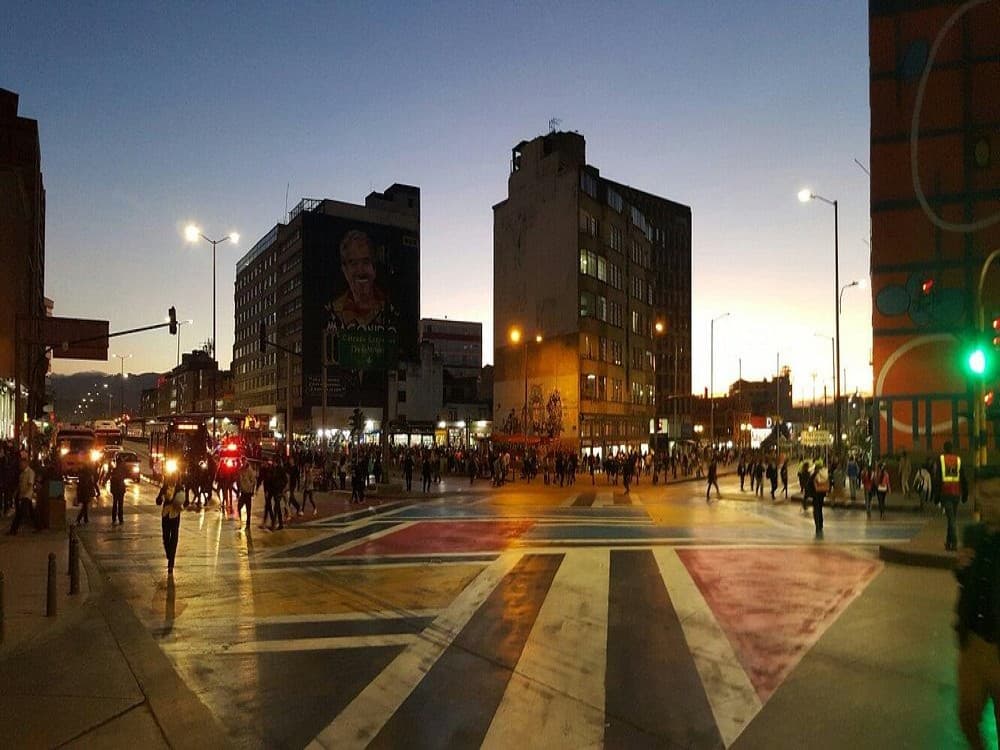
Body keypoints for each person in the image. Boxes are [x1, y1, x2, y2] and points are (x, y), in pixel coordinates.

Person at [954, 505, 1000, 748]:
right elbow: (967, 579)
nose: (989, 503)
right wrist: (961, 568)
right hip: (972, 641)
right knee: (967, 715)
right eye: (985, 496)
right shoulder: (973, 533)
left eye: (995, 496)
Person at [326, 230, 398, 331]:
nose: (360, 271)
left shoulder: (390, 309)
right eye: (353, 263)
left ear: (374, 269)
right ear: (344, 270)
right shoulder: (332, 311)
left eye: (366, 262)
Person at [934, 440, 968, 551]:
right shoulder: (958, 460)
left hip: (945, 493)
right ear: (952, 449)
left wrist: (936, 496)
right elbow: (963, 477)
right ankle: (948, 543)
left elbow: (938, 479)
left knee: (951, 519)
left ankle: (955, 542)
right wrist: (965, 493)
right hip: (956, 493)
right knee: (951, 518)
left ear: (944, 449)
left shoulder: (941, 459)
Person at [155, 472, 184, 574]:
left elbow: (184, 501)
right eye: (172, 478)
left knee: (174, 538)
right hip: (166, 515)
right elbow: (158, 501)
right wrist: (161, 498)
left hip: (175, 516)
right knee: (166, 537)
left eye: (175, 478)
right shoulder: (164, 487)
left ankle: (171, 563)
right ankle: (169, 553)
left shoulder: (180, 488)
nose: (173, 479)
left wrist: (179, 502)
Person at [8, 452, 36, 535]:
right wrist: (17, 493)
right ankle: (38, 526)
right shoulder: (22, 473)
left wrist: (25, 494)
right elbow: (20, 485)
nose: (20, 465)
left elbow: (30, 485)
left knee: (20, 514)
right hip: (22, 495)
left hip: (26, 496)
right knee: (31, 513)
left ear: (26, 463)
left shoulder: (30, 472)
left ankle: (13, 530)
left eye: (22, 464)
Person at [809, 459, 830, 539]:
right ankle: (820, 525)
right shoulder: (824, 474)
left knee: (816, 510)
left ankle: (817, 526)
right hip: (822, 494)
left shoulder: (814, 474)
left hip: (816, 494)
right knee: (820, 509)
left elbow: (809, 483)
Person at [236, 460, 257, 531]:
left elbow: (253, 481)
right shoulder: (241, 470)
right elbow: (239, 480)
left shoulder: (249, 470)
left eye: (244, 462)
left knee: (248, 509)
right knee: (239, 506)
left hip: (248, 492)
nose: (243, 463)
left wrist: (251, 489)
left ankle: (248, 524)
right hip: (243, 492)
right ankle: (241, 520)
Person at [109, 459, 127, 526]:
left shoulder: (115, 470)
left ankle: (114, 518)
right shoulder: (121, 470)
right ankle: (120, 518)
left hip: (116, 490)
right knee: (120, 505)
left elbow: (111, 479)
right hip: (119, 490)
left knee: (115, 504)